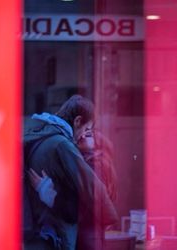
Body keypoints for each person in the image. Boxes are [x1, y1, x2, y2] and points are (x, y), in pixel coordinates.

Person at [23, 95, 118, 250]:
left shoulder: (39, 137)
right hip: (59, 238)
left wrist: (48, 192)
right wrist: (110, 216)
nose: (83, 135)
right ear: (77, 121)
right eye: (87, 129)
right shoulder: (62, 145)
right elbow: (90, 193)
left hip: (42, 235)